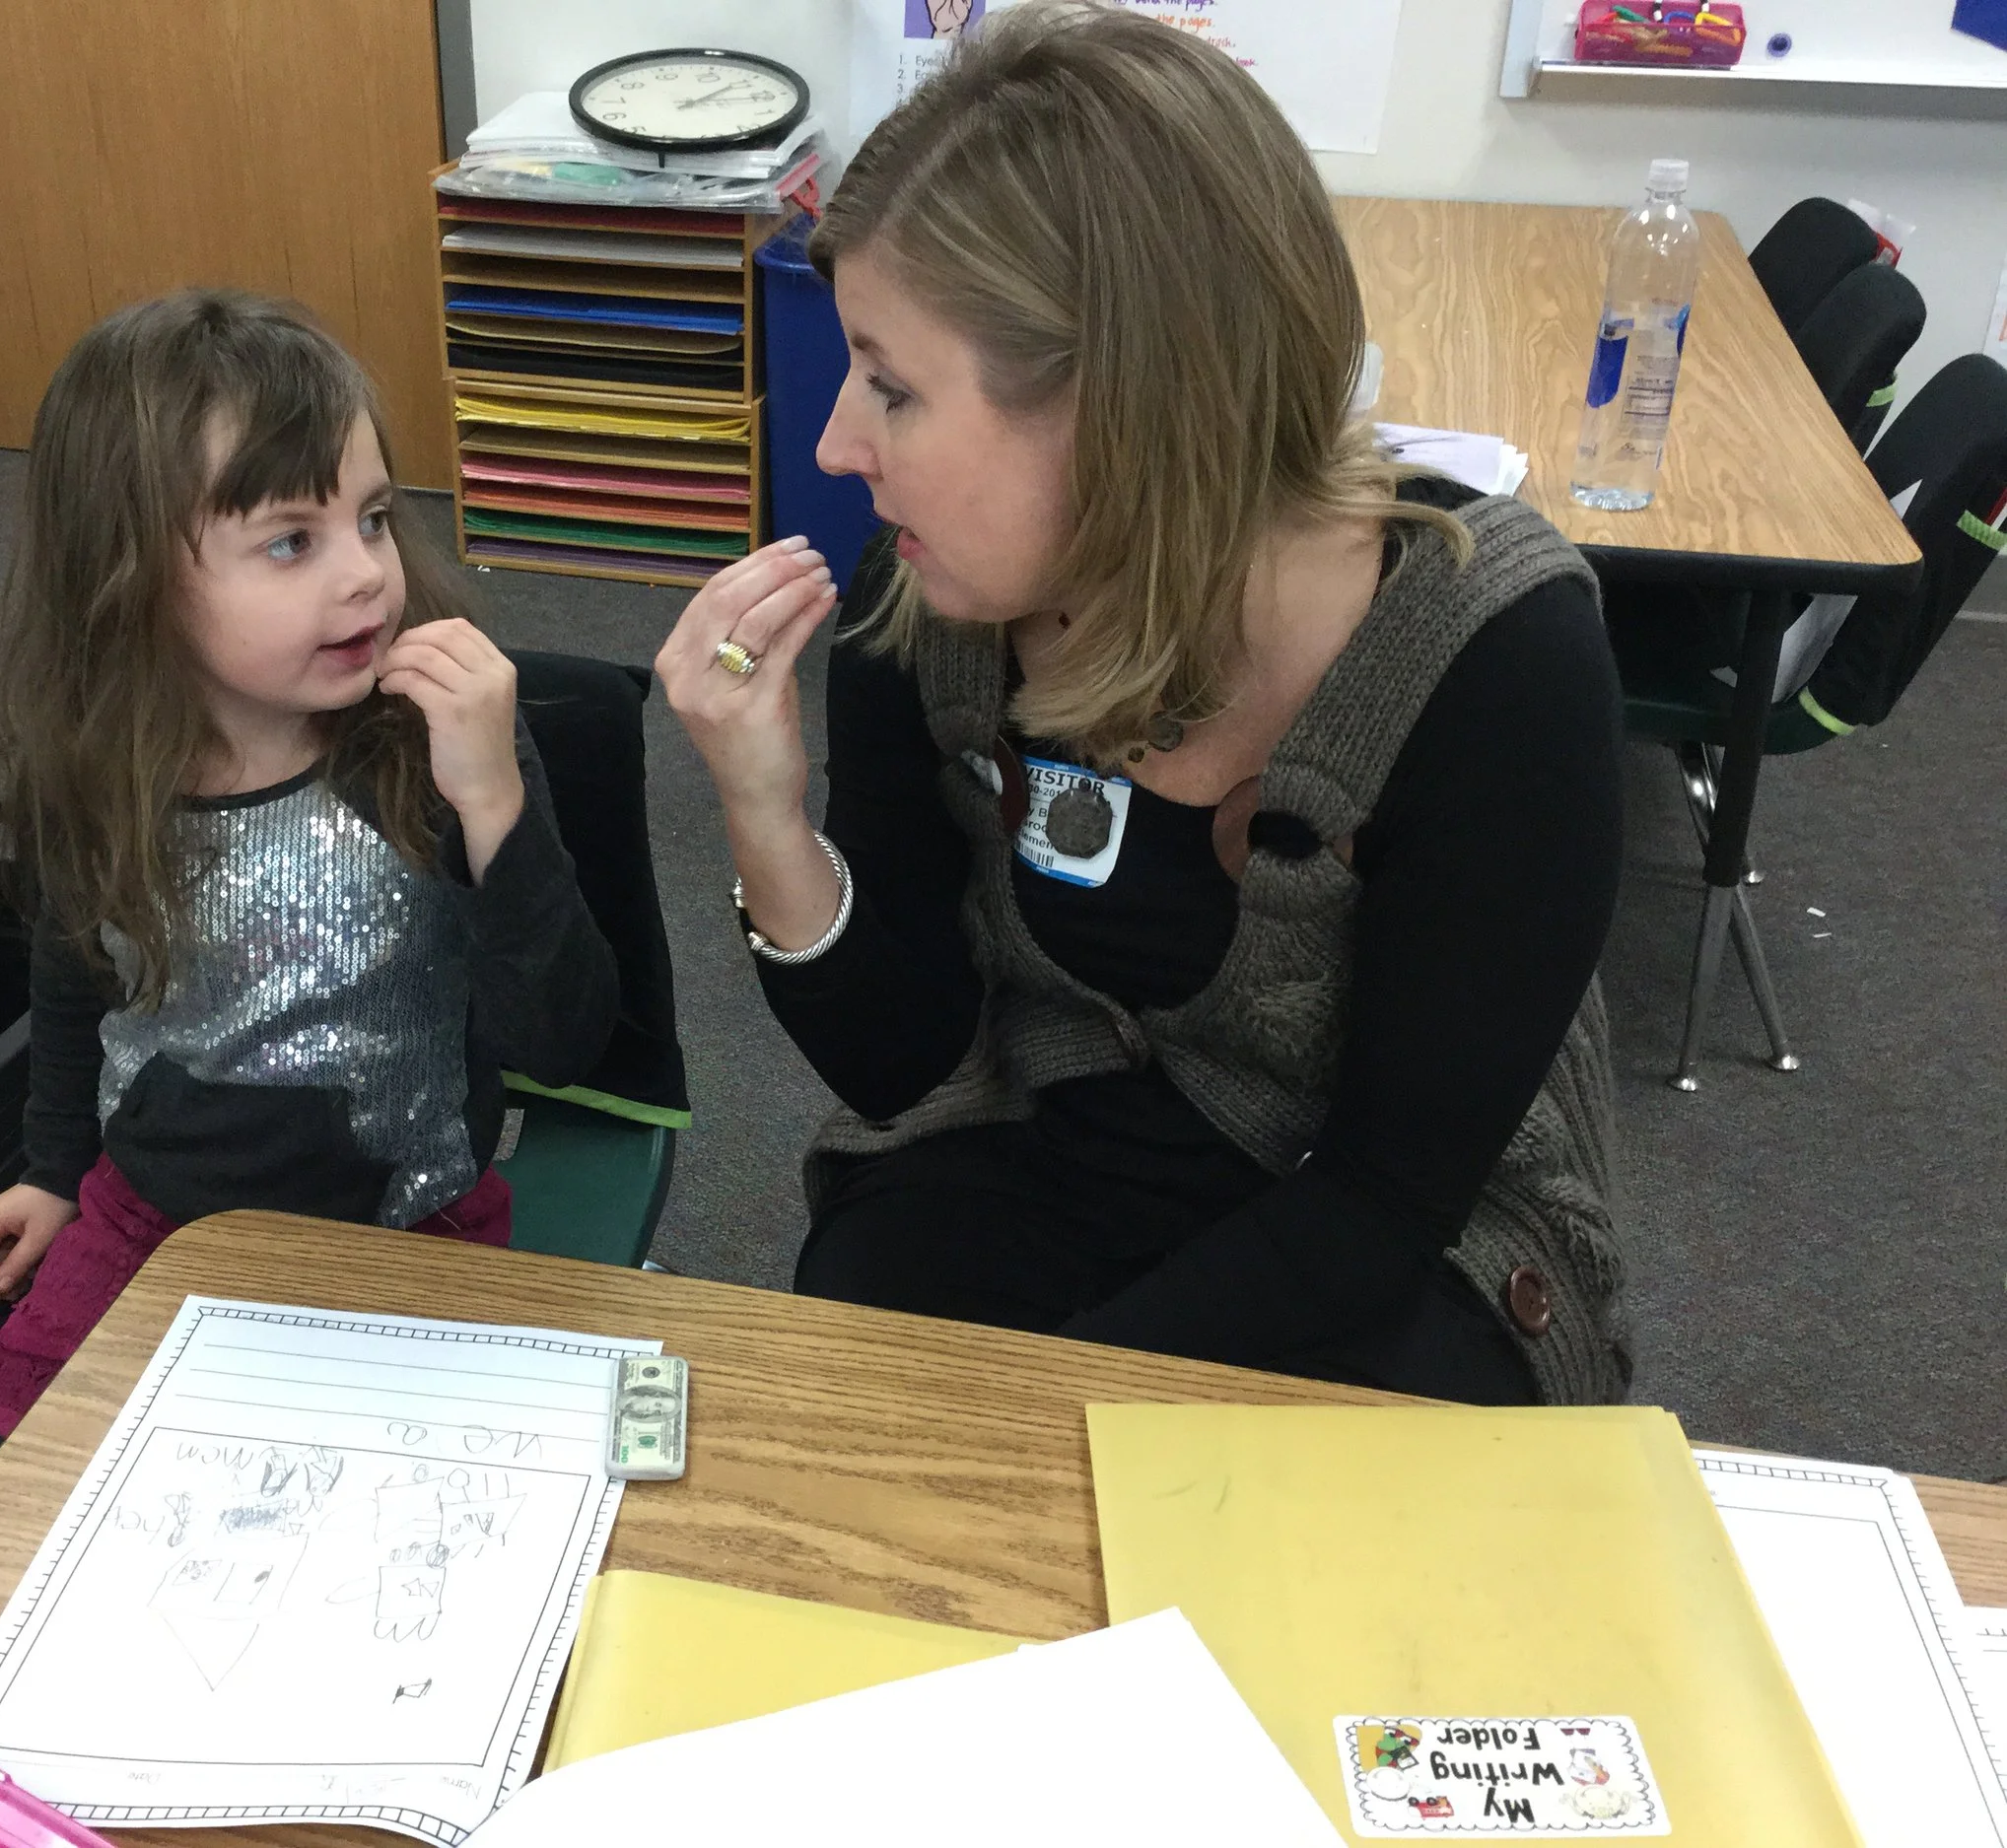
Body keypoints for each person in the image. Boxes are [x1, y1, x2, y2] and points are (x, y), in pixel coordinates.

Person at [657, 2, 1628, 1405]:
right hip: (1060, 1144)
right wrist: (764, 809)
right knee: (862, 1350)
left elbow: (1379, 1203)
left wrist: (1050, 1403)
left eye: (892, 387)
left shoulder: (1493, 659)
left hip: (1395, 1239)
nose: (834, 443)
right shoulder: (922, 606)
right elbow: (903, 1061)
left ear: (1121, 404)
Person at [0, 290, 617, 1440]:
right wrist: (53, 1172)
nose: (364, 574)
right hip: (154, 1214)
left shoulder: (429, 753)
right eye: (292, 541)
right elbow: (74, 984)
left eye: (375, 519)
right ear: (133, 574)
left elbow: (561, 1037)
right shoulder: (94, 770)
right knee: (41, 1477)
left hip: (406, 1228)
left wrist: (493, 799)